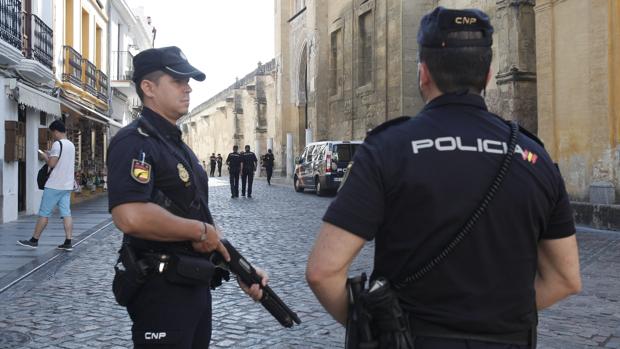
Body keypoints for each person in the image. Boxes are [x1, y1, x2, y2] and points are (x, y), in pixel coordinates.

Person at [306, 7, 581, 349]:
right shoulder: (534, 156)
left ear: (423, 73)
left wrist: (376, 329)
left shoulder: (389, 148)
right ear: (488, 75)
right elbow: (566, 278)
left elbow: (322, 272)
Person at [106, 46, 268, 349]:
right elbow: (129, 215)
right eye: (178, 80)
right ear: (148, 88)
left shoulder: (178, 146)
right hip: (161, 290)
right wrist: (199, 231)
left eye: (187, 81)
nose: (188, 87)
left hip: (192, 285)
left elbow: (199, 217)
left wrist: (241, 268)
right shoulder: (134, 142)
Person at [18, 120, 76, 251]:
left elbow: (52, 164)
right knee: (66, 213)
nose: (52, 136)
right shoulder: (71, 145)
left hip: (54, 184)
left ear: (56, 131)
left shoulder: (57, 144)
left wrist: (45, 156)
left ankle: (34, 240)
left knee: (44, 213)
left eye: (52, 133)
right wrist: (52, 155)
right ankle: (68, 241)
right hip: (67, 185)